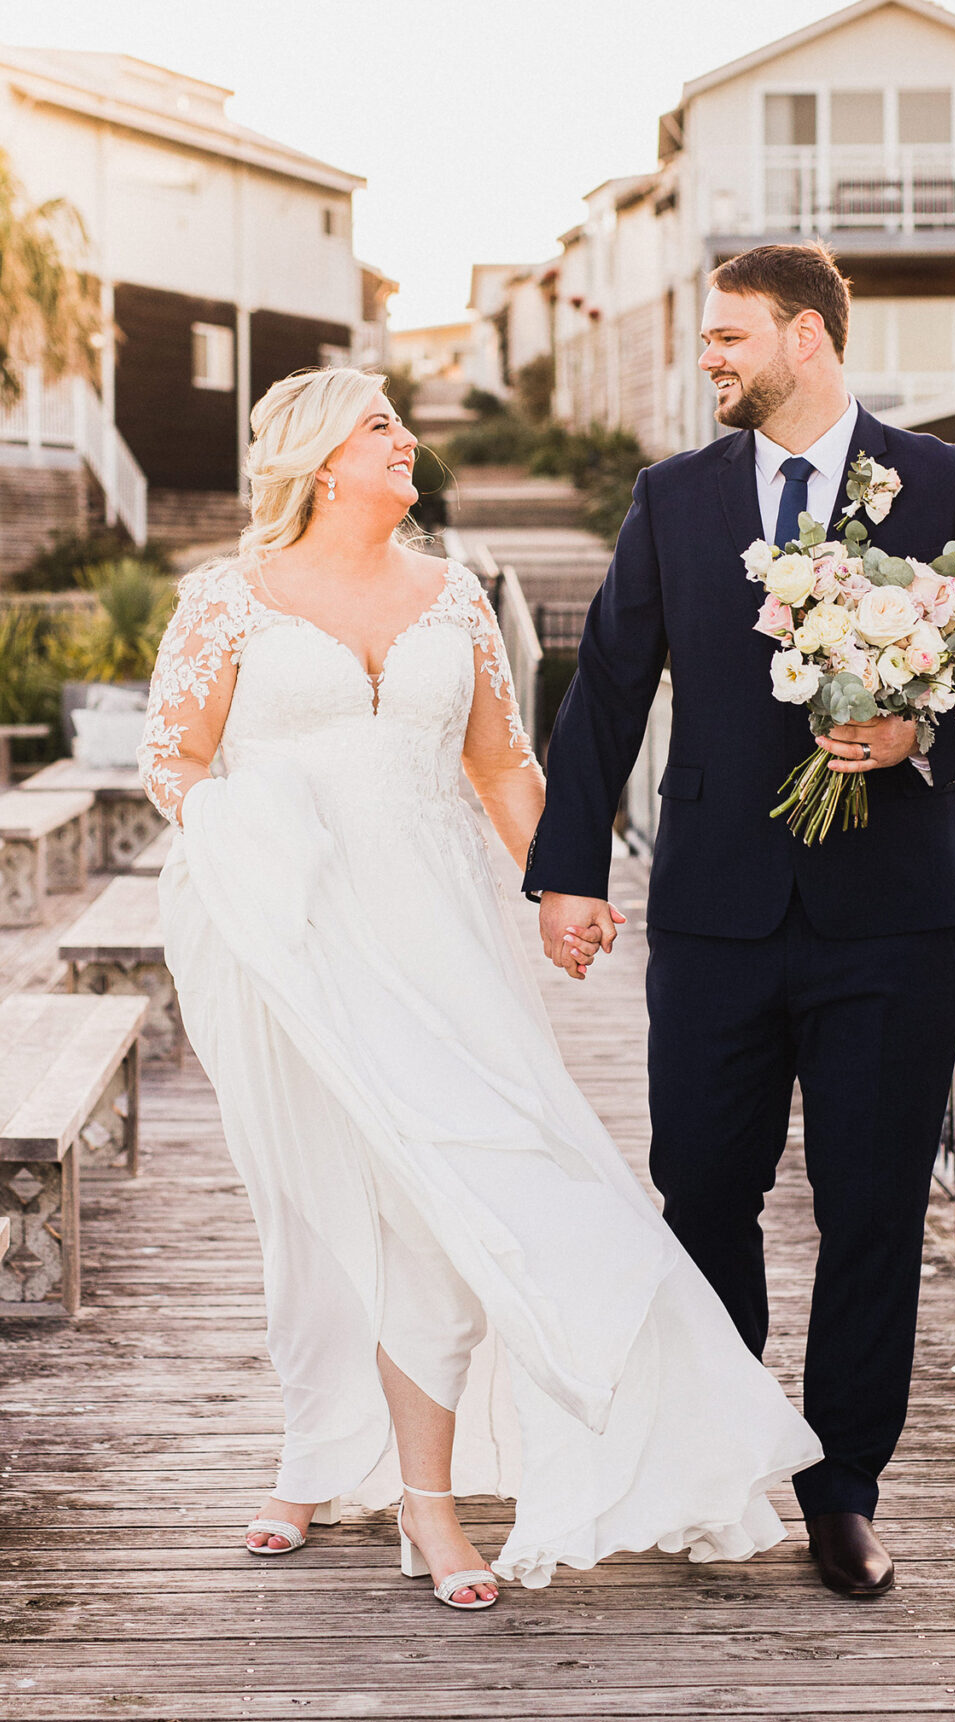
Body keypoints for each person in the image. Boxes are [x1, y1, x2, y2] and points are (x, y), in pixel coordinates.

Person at [140, 365, 818, 1610]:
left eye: (400, 422)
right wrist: (255, 831)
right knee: (321, 1209)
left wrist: (563, 886)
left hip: (442, 942)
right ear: (318, 458)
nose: (406, 441)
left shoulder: (453, 595)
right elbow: (174, 763)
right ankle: (316, 1456)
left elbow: (505, 766)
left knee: (462, 1197)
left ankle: (431, 1497)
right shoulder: (226, 600)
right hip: (294, 939)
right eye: (380, 424)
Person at [528, 243, 955, 1598]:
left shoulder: (939, 484)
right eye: (703, 339)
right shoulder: (671, 498)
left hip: (890, 922)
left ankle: (842, 1490)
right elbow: (603, 691)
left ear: (808, 340)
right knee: (700, 1194)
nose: (704, 358)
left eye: (726, 338)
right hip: (711, 911)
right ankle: (720, 1463)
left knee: (869, 1206)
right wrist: (568, 870)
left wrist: (924, 733)